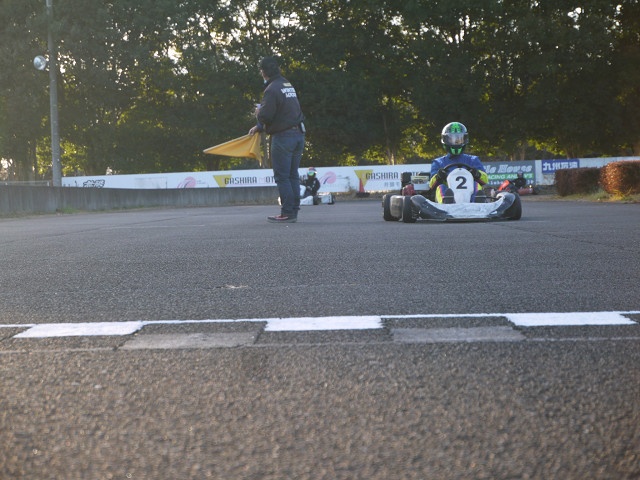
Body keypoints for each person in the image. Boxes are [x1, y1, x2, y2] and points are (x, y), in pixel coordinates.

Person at [249, 56, 306, 223]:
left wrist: (258, 114)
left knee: (282, 177)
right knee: (292, 175)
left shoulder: (271, 89)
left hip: (283, 137)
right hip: (298, 134)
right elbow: (285, 110)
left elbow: (266, 115)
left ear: (263, 72)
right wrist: (259, 127)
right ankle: (293, 211)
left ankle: (287, 212)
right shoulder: (287, 84)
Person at [428, 122, 488, 203]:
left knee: (476, 185)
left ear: (465, 139)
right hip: (449, 195)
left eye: (459, 139)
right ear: (445, 140)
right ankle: (446, 202)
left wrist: (477, 174)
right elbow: (431, 185)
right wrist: (438, 176)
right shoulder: (438, 162)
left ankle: (477, 203)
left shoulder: (473, 160)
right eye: (452, 139)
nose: (456, 142)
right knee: (441, 187)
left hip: (470, 198)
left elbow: (485, 180)